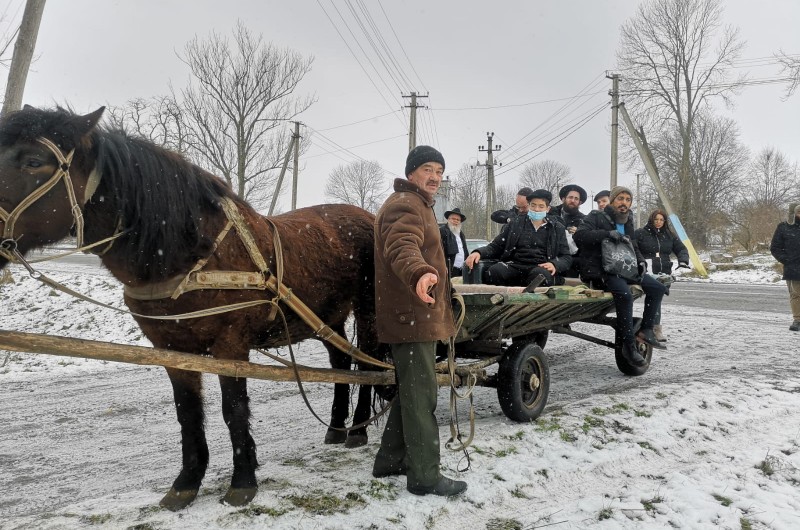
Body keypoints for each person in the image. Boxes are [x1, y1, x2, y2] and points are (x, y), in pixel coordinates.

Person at [372, 145, 467, 497]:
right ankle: (425, 476)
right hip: (411, 317)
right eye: (428, 169)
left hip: (415, 317)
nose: (435, 177)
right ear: (412, 172)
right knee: (421, 398)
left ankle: (390, 460)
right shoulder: (405, 204)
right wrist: (420, 273)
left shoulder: (419, 205)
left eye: (440, 171)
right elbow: (401, 245)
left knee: (413, 393)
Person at [574, 186, 668, 367]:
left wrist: (641, 262)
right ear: (612, 200)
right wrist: (606, 234)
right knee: (624, 296)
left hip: (626, 268)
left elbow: (632, 246)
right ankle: (628, 345)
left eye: (627, 199)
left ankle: (646, 330)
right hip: (602, 270)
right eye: (620, 198)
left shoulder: (628, 221)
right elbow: (580, 236)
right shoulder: (596, 216)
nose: (624, 203)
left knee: (657, 288)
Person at [464, 189, 572, 290]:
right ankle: (501, 304)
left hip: (540, 266)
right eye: (533, 205)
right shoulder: (515, 224)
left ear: (547, 209)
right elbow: (496, 246)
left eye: (541, 206)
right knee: (495, 271)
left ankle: (531, 305)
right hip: (515, 265)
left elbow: (566, 257)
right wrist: (478, 252)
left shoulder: (557, 228)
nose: (536, 209)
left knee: (539, 276)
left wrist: (554, 264)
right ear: (528, 206)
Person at [633, 209, 690, 341]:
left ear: (665, 221)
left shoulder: (669, 235)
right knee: (648, 297)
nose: (658, 222)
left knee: (656, 300)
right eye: (656, 219)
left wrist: (683, 260)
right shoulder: (641, 233)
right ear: (651, 220)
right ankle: (647, 327)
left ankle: (654, 328)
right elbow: (634, 248)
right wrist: (640, 262)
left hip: (664, 272)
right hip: (647, 271)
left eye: (661, 220)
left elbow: (681, 248)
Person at [770, 203, 800, 332]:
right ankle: (797, 319)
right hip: (793, 268)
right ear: (793, 213)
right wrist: (786, 260)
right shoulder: (783, 228)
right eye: (799, 212)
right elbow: (775, 247)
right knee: (796, 295)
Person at [439, 207, 468, 278]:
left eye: (458, 220)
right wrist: (442, 266)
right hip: (449, 268)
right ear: (448, 219)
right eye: (453, 219)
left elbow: (464, 250)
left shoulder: (461, 234)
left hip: (461, 269)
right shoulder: (442, 231)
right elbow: (439, 250)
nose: (455, 221)